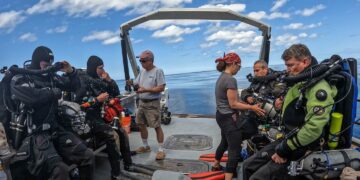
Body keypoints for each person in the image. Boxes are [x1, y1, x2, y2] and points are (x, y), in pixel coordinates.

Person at [242, 44, 337, 180]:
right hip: (287, 138)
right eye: (286, 66)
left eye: (291, 65)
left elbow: (313, 128)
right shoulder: (301, 81)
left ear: (305, 61)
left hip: (302, 146)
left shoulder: (318, 88)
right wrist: (279, 106)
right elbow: (296, 107)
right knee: (247, 165)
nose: (288, 70)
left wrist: (284, 150)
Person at [8, 46, 94, 180]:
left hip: (55, 129)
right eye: (45, 64)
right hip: (35, 133)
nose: (48, 67)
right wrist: (52, 92)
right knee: (60, 170)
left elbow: (74, 86)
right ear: (37, 61)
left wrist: (70, 71)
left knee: (87, 155)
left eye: (50, 64)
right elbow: (31, 97)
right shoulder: (21, 77)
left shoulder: (52, 78)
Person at [72, 55, 133, 179]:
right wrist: (96, 100)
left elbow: (116, 93)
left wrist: (109, 80)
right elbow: (77, 106)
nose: (103, 70)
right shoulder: (82, 82)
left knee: (121, 131)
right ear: (94, 68)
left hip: (100, 116)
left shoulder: (99, 80)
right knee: (112, 135)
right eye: (100, 68)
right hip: (88, 118)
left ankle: (128, 164)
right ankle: (115, 174)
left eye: (103, 67)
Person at [213, 52, 265, 180]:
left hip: (221, 115)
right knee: (234, 151)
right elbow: (233, 104)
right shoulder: (231, 80)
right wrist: (252, 107)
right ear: (234, 64)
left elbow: (229, 101)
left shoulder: (222, 77)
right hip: (229, 119)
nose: (239, 69)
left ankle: (216, 165)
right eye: (239, 66)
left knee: (224, 142)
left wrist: (244, 102)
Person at [132, 50, 166, 161]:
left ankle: (161, 150)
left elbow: (161, 87)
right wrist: (131, 83)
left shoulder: (158, 71)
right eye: (140, 61)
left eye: (143, 61)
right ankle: (146, 146)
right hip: (141, 103)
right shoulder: (142, 71)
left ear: (150, 60)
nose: (141, 63)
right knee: (140, 124)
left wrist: (146, 90)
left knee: (156, 126)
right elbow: (136, 83)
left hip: (152, 104)